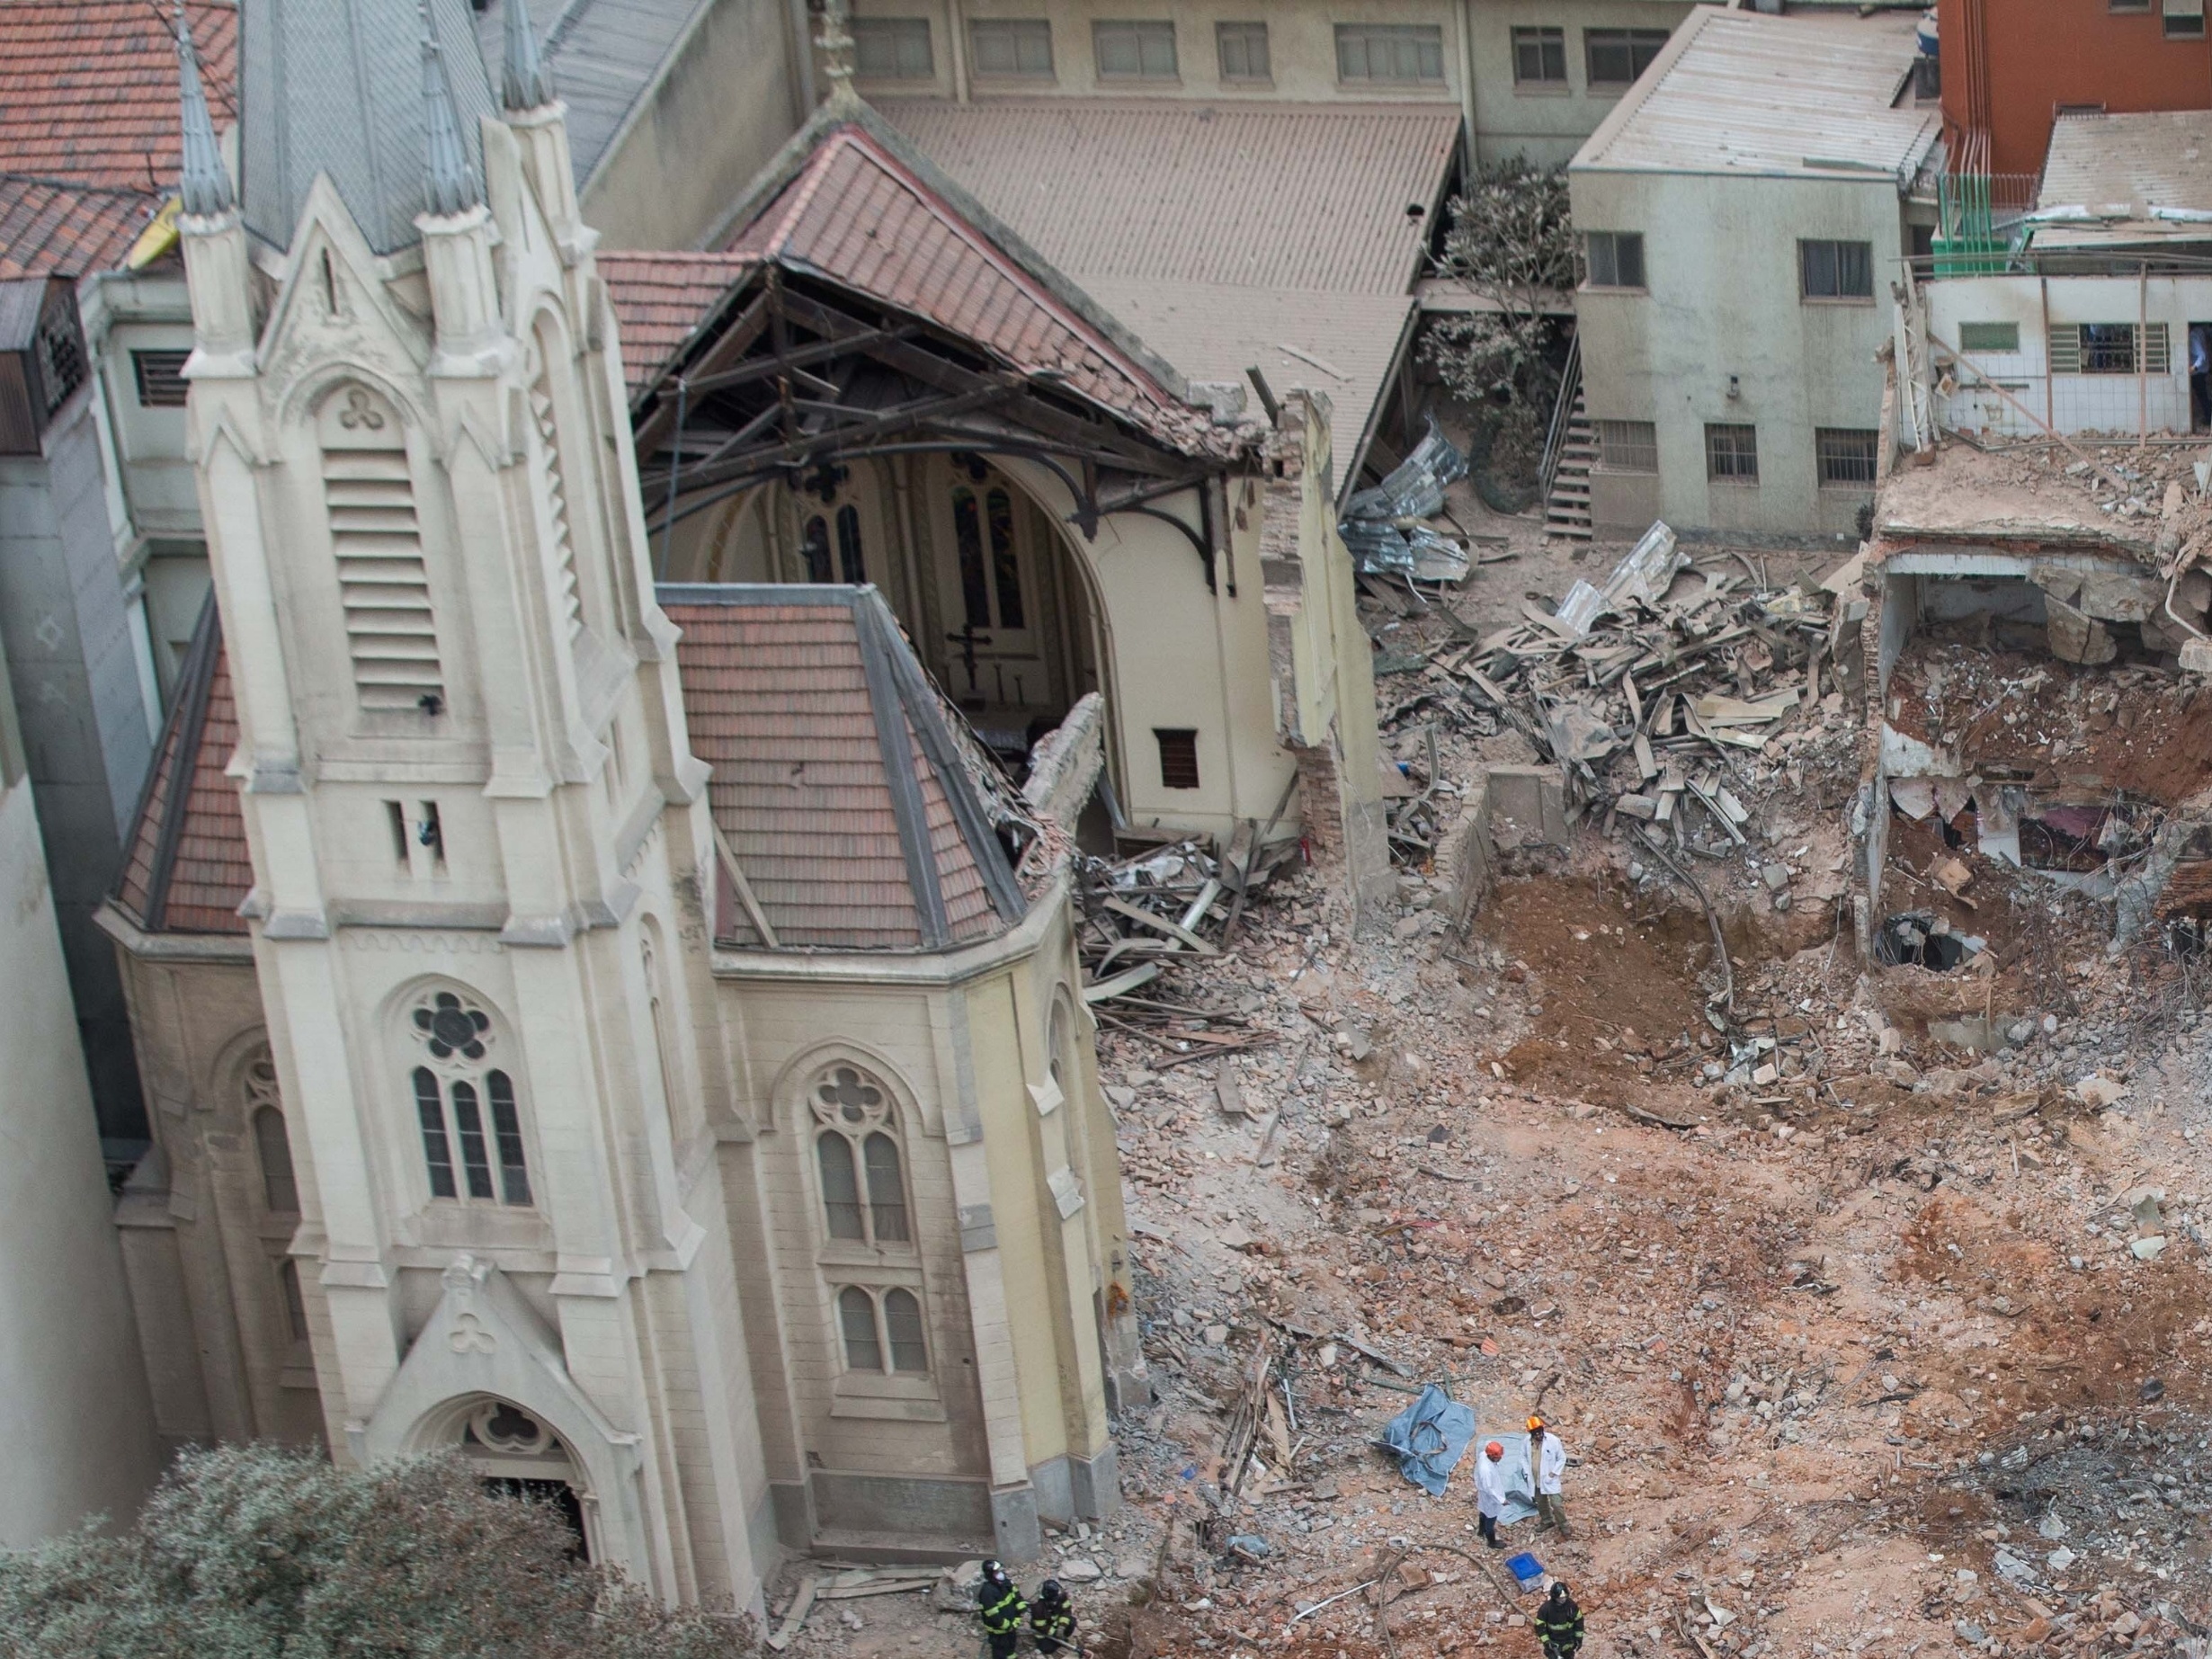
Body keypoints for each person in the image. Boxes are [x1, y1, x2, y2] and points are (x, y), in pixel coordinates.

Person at [975, 1558, 1027, 1659]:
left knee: (1010, 1647)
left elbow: (1015, 1594)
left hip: (1010, 1627)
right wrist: (1007, 1626)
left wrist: (1020, 1608)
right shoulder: (987, 1593)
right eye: (996, 1572)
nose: (1000, 1573)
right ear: (990, 1574)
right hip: (998, 1632)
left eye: (999, 1570)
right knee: (1000, 1652)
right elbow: (993, 1615)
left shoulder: (1005, 1583)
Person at [1529, 1414, 1570, 1536]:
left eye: (1540, 1432)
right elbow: (1524, 1458)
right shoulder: (1527, 1443)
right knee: (1540, 1502)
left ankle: (1564, 1525)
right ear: (1531, 1434)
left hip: (1550, 1479)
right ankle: (1547, 1521)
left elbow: (1562, 1458)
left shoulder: (1552, 1441)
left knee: (1556, 1504)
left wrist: (1553, 1473)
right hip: (1535, 1478)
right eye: (1535, 1433)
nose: (1539, 1435)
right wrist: (1526, 1473)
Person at [1534, 1581, 1585, 1658]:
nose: (1563, 1599)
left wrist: (1579, 1638)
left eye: (1564, 1597)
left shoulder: (1571, 1606)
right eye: (1560, 1598)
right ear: (1554, 1597)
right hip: (1554, 1644)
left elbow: (1579, 1622)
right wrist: (1547, 1642)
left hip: (1569, 1643)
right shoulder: (1546, 1609)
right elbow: (1540, 1627)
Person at [1030, 1577, 1078, 1655]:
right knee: (1047, 1649)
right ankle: (1057, 1641)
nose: (1056, 1601)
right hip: (1044, 1630)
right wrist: (1054, 1633)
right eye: (1054, 1600)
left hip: (1057, 1624)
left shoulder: (1060, 1596)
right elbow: (1041, 1627)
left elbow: (1066, 1610)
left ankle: (1061, 1638)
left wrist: (1062, 1626)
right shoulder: (1038, 1607)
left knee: (1072, 1621)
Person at [1475, 1438, 1507, 1548]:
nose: (1500, 1459)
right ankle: (1491, 1541)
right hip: (1490, 1497)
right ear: (1492, 1456)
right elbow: (1489, 1489)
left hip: (1484, 1495)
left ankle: (1481, 1531)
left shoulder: (1484, 1455)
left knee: (1483, 1512)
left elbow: (1487, 1443)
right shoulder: (1486, 1470)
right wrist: (1501, 1500)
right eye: (1498, 1457)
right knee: (1491, 1518)